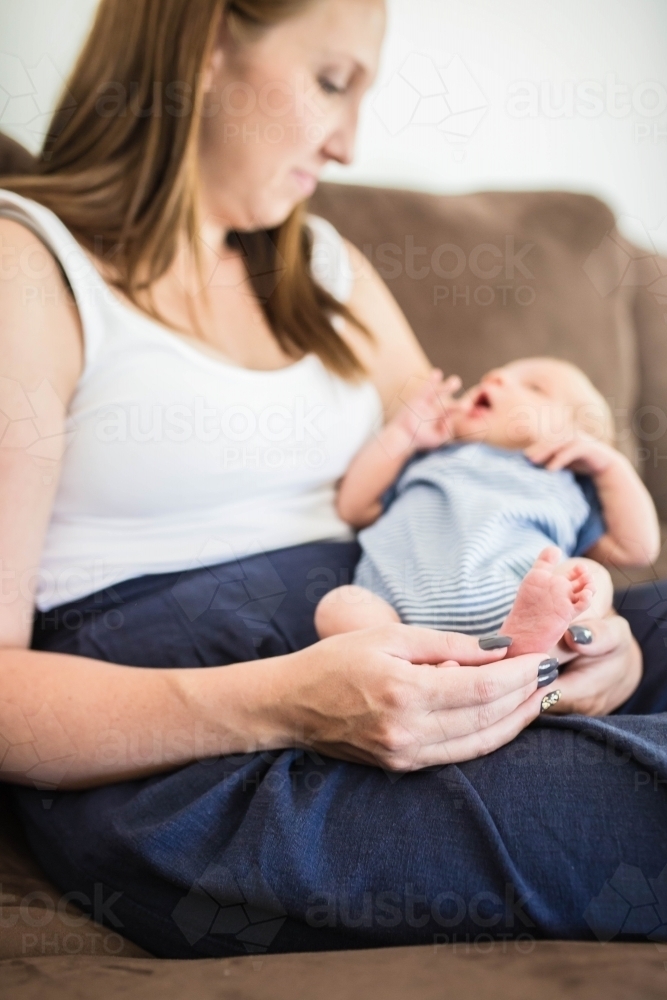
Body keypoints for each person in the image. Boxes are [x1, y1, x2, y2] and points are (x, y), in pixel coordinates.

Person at [0, 0, 666, 960]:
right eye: (330, 83)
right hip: (196, 729)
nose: (349, 145)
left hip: (411, 619)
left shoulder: (324, 265)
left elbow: (465, 471)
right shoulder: (34, 266)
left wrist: (599, 647)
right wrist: (282, 700)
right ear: (207, 46)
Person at [315, 359, 661, 666]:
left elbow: (638, 548)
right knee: (341, 606)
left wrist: (611, 467)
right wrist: (403, 433)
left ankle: (534, 647)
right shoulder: (429, 458)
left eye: (534, 387)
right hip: (399, 616)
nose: (494, 377)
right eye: (495, 375)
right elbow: (353, 507)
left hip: (518, 603)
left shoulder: (565, 484)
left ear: (572, 437)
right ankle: (419, 671)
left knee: (588, 577)